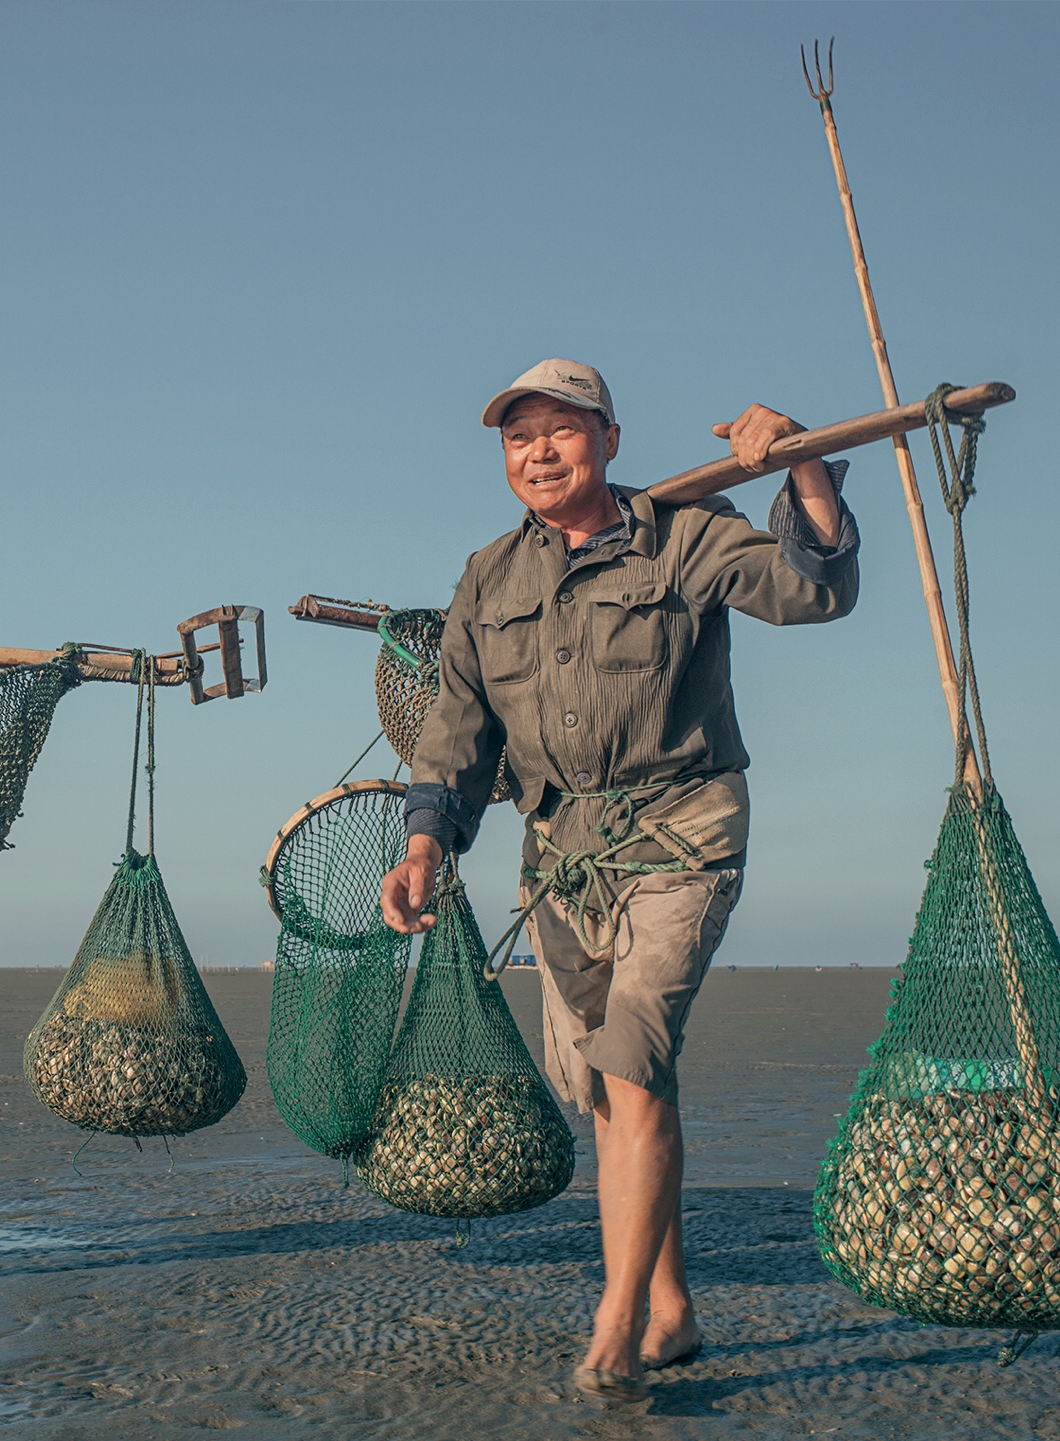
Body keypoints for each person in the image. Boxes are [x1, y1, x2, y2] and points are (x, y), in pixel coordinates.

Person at [379, 360, 859, 1402]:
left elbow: (813, 589)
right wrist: (425, 846)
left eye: (561, 431)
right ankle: (674, 1308)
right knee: (602, 1083)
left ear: (608, 439)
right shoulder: (488, 579)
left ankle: (616, 1318)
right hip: (563, 854)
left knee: (635, 1059)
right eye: (519, 438)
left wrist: (808, 471)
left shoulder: (682, 534)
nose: (539, 453)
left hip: (682, 832)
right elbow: (455, 730)